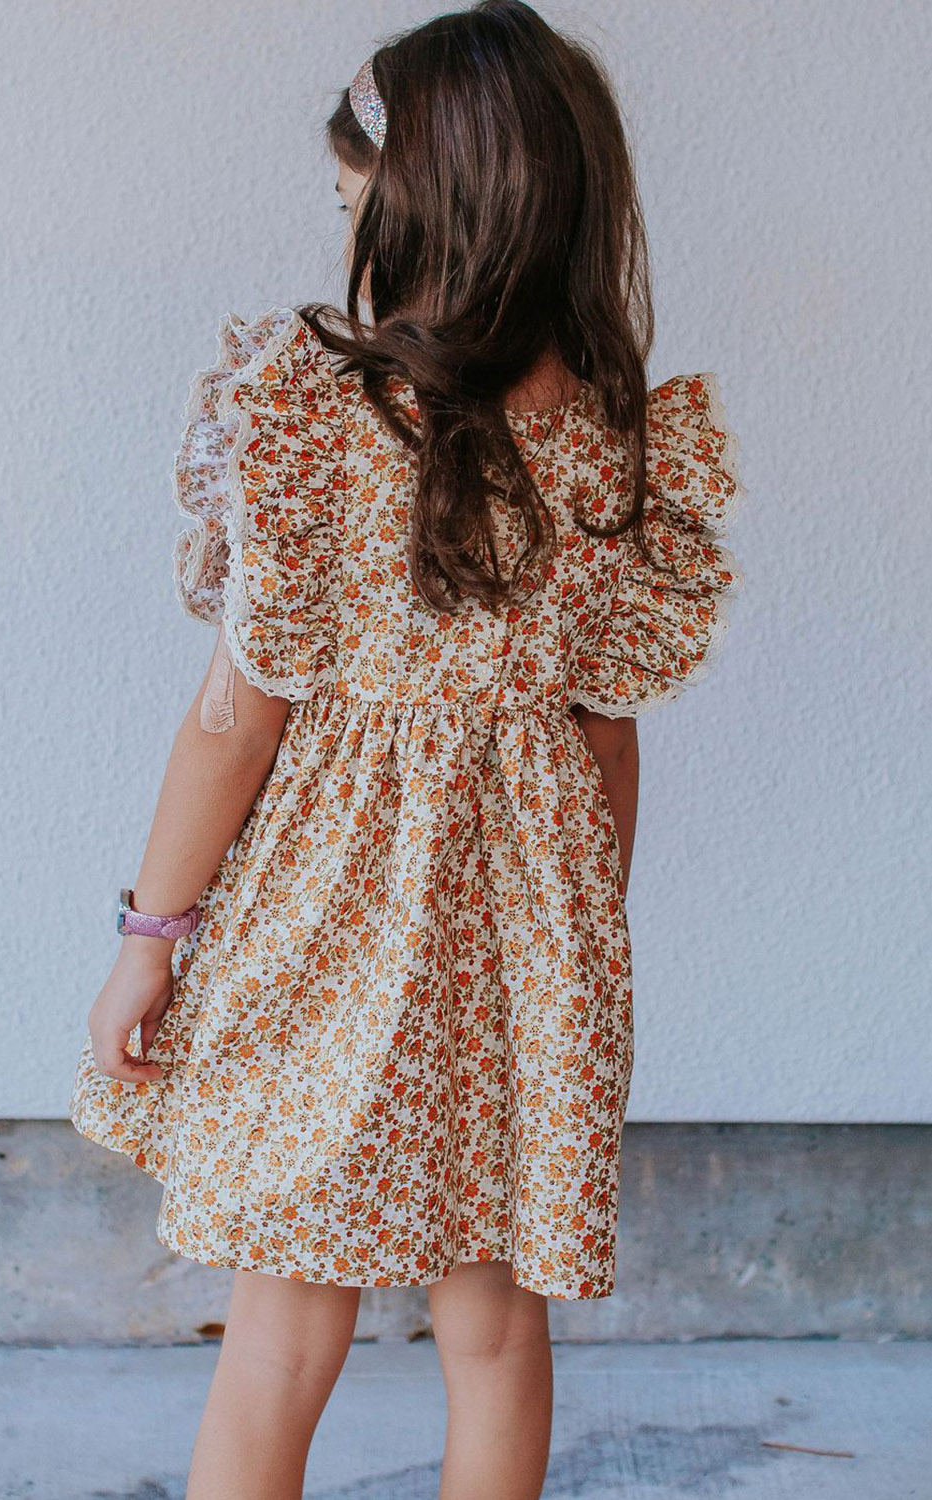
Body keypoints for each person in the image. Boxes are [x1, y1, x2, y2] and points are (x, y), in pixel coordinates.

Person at [69, 3, 746, 1496]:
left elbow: (235, 718)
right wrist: (584, 938)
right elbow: (604, 734)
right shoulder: (617, 438)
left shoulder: (311, 413)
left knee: (282, 1333)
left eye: (349, 202)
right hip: (526, 952)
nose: (343, 234)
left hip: (330, 930)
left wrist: (152, 932)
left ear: (429, 205)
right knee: (497, 1333)